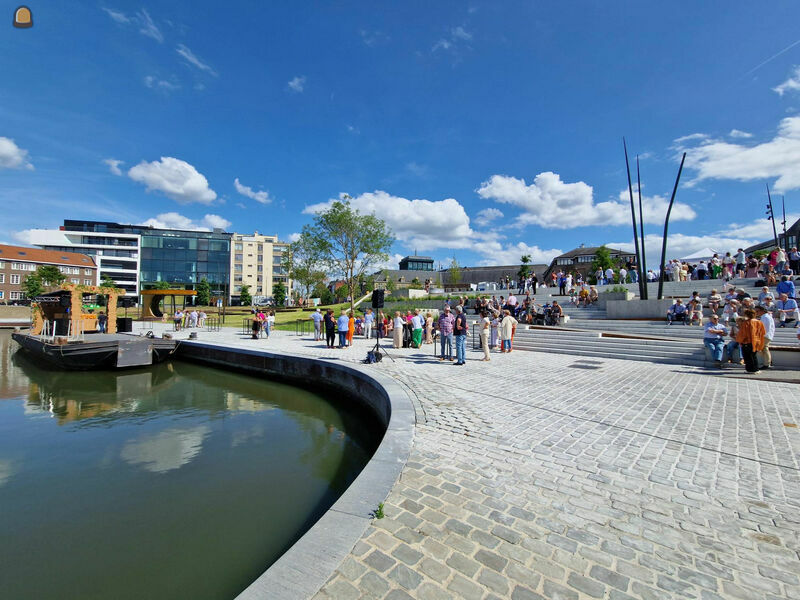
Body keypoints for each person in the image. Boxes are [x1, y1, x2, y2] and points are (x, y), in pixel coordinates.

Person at [736, 308, 765, 374]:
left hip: (747, 342)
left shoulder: (746, 323)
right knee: (754, 356)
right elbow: (763, 332)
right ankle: (756, 369)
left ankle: (750, 370)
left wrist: (740, 341)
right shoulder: (759, 322)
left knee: (748, 357)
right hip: (756, 341)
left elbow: (743, 333)